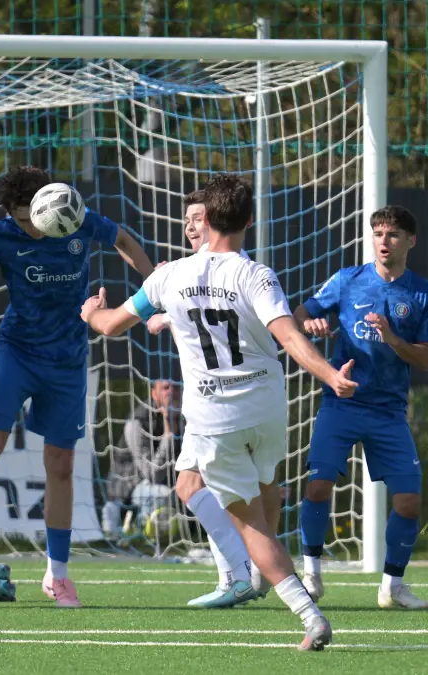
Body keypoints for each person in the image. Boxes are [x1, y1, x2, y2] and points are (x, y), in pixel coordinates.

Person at [82, 172, 355, 651]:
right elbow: (290, 337)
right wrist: (330, 375)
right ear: (249, 221)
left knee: (250, 527)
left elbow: (110, 326)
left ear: (205, 219)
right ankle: (260, 570)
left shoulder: (169, 276)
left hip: (215, 418)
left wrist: (90, 313)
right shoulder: (257, 275)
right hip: (268, 407)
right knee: (263, 491)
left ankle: (307, 614)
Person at [0, 165, 153, 608]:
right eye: (19, 219)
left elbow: (123, 240)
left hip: (68, 361)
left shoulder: (74, 217)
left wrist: (155, 288)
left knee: (61, 465)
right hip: (18, 354)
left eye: (30, 217)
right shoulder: (2, 235)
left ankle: (58, 574)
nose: (27, 227)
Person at [290, 205, 428, 609]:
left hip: (388, 411)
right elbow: (299, 314)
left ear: (411, 241)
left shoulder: (424, 293)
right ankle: (312, 574)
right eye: (377, 234)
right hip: (342, 403)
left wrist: (394, 339)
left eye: (392, 235)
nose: (383, 242)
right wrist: (310, 324)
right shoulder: (347, 280)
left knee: (408, 500)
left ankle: (392, 587)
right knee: (318, 485)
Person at [141, 189, 268, 609]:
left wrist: (160, 312)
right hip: (229, 401)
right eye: (187, 220)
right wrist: (166, 311)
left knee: (194, 484)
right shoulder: (187, 273)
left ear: (215, 221)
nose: (192, 226)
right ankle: (243, 573)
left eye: (199, 218)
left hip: (220, 401)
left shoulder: (226, 272)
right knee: (208, 486)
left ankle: (243, 573)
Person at [102, 379, 181, 540]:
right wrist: (169, 433)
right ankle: (143, 530)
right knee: (162, 494)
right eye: (166, 388)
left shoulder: (188, 416)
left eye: (176, 388)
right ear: (153, 393)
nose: (171, 392)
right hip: (130, 487)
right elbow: (153, 474)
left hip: (169, 480)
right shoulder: (137, 422)